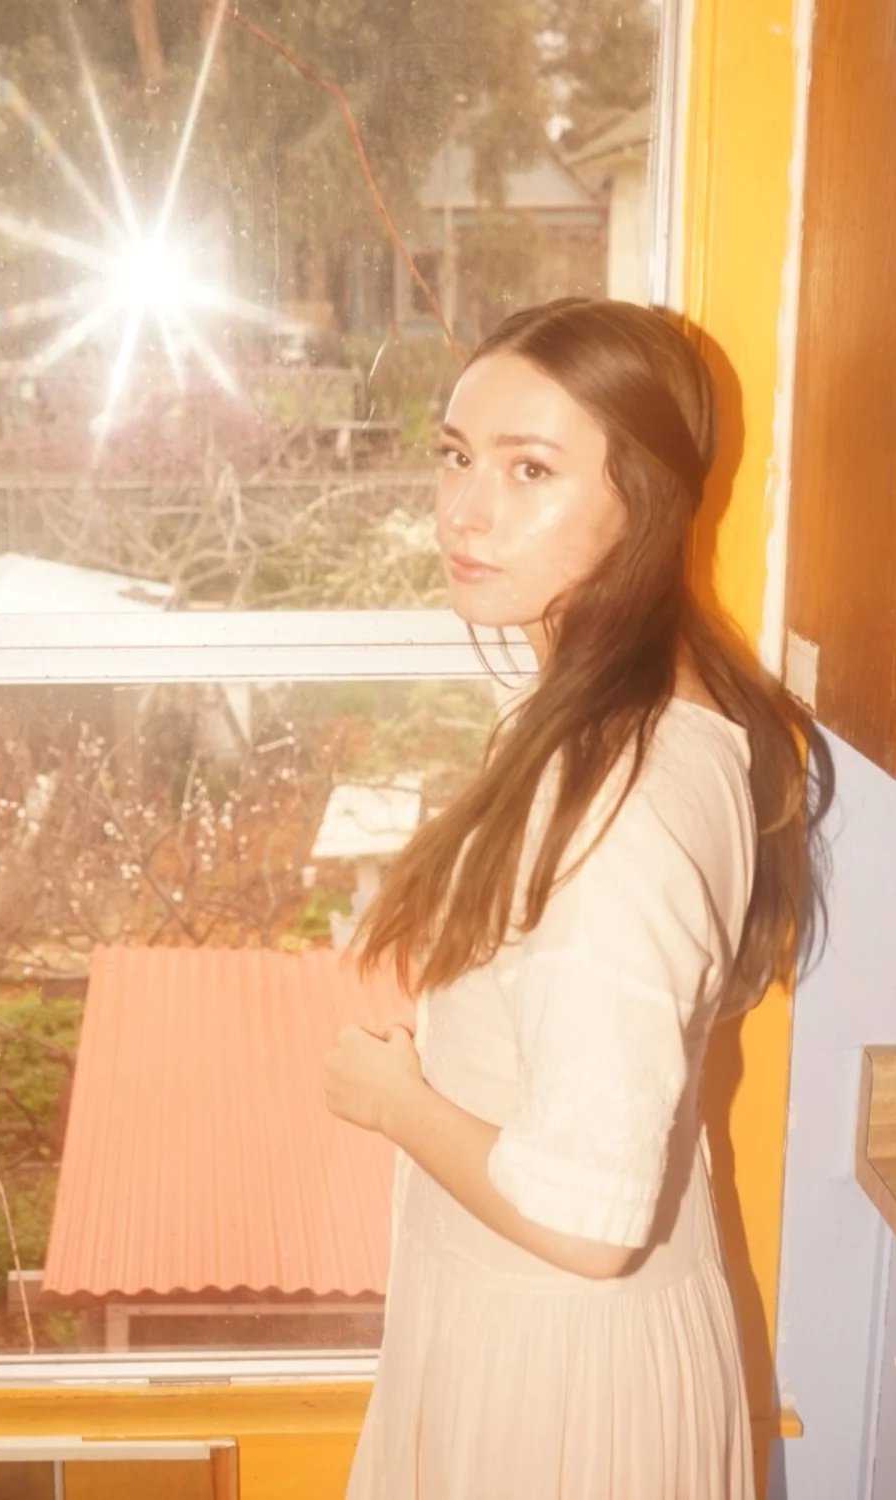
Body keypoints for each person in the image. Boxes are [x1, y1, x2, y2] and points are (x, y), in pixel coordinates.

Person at [326, 298, 831, 1500]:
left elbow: (587, 1222)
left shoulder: (619, 800)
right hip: (543, 1339)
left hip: (553, 1381)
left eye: (530, 469)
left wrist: (394, 1100)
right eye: (457, 454)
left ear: (642, 499)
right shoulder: (639, 707)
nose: (465, 510)